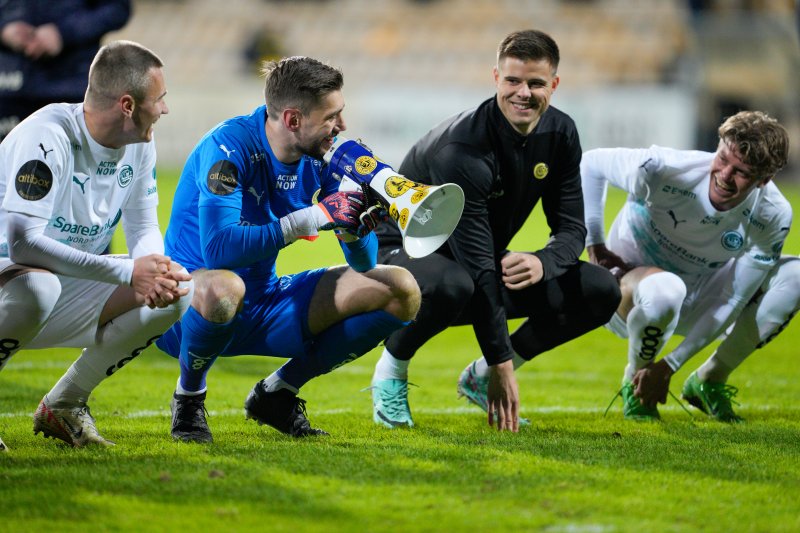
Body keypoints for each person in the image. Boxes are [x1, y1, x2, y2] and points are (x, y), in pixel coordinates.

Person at [156, 55, 421, 443]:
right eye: (331, 117)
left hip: (262, 302)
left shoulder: (322, 159)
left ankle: (277, 393)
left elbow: (363, 264)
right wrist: (313, 217)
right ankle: (189, 399)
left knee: (400, 289)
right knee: (225, 287)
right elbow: (219, 252)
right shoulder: (228, 147)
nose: (341, 127)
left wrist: (354, 225)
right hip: (186, 310)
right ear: (293, 120)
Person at [368, 29, 621, 432]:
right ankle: (390, 371)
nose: (524, 92)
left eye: (536, 83)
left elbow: (572, 227)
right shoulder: (462, 150)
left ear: (553, 85)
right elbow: (478, 268)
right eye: (513, 81)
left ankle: (479, 375)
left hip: (475, 254)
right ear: (496, 79)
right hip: (403, 252)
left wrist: (545, 261)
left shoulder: (561, 133)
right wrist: (504, 364)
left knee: (600, 290)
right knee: (456, 284)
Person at [0, 40, 192, 452]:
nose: (164, 109)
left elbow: (143, 225)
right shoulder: (46, 137)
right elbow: (22, 245)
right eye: (159, 99)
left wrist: (152, 269)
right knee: (38, 287)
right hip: (13, 280)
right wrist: (128, 272)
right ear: (127, 104)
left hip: (56, 285)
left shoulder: (138, 146)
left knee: (178, 288)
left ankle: (65, 403)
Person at [582, 110, 799, 422]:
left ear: (764, 180)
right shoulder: (663, 168)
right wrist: (595, 243)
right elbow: (590, 164)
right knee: (666, 291)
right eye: (723, 158)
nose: (724, 175)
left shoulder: (772, 214)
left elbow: (733, 299)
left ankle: (709, 379)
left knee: (795, 277)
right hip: (631, 296)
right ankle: (636, 380)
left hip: (699, 296)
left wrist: (672, 363)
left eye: (741, 172)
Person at [0, 0, 132, 142]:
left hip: (71, 88)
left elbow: (118, 8)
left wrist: (64, 33)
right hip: (10, 89)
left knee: (76, 159)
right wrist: (4, 28)